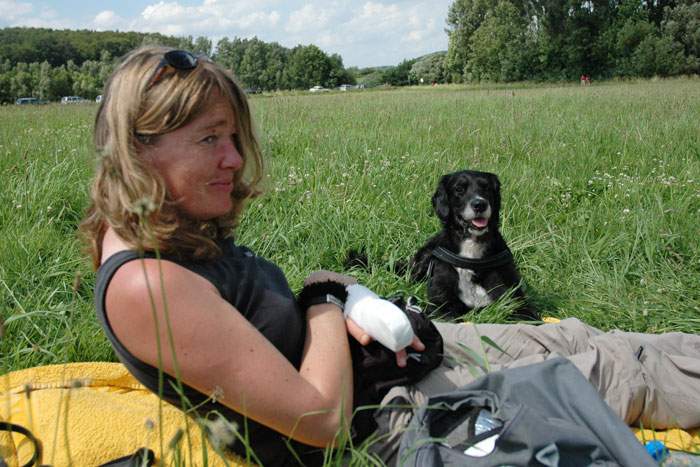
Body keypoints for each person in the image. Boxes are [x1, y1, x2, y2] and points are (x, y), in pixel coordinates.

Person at [81, 47, 700, 466]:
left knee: (573, 333)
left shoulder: (163, 229)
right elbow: (320, 418)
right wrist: (327, 297)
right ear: (139, 150)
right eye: (210, 138)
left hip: (385, 357)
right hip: (386, 410)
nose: (235, 159)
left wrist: (342, 307)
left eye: (235, 136)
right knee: (613, 372)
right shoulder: (146, 286)